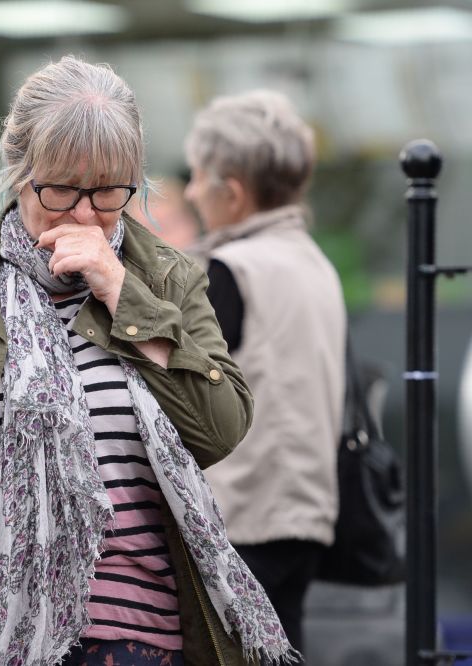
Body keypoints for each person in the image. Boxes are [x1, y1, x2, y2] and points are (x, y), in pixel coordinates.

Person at [0, 56, 301, 666]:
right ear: (17, 172)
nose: (84, 214)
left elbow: (220, 428)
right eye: (60, 189)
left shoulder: (166, 277)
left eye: (107, 192)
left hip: (141, 639)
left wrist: (121, 292)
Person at [183, 90, 346, 653]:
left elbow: (188, 389)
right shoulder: (313, 260)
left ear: (232, 192)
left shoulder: (232, 269)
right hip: (306, 513)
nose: (189, 190)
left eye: (198, 176)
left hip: (243, 517)